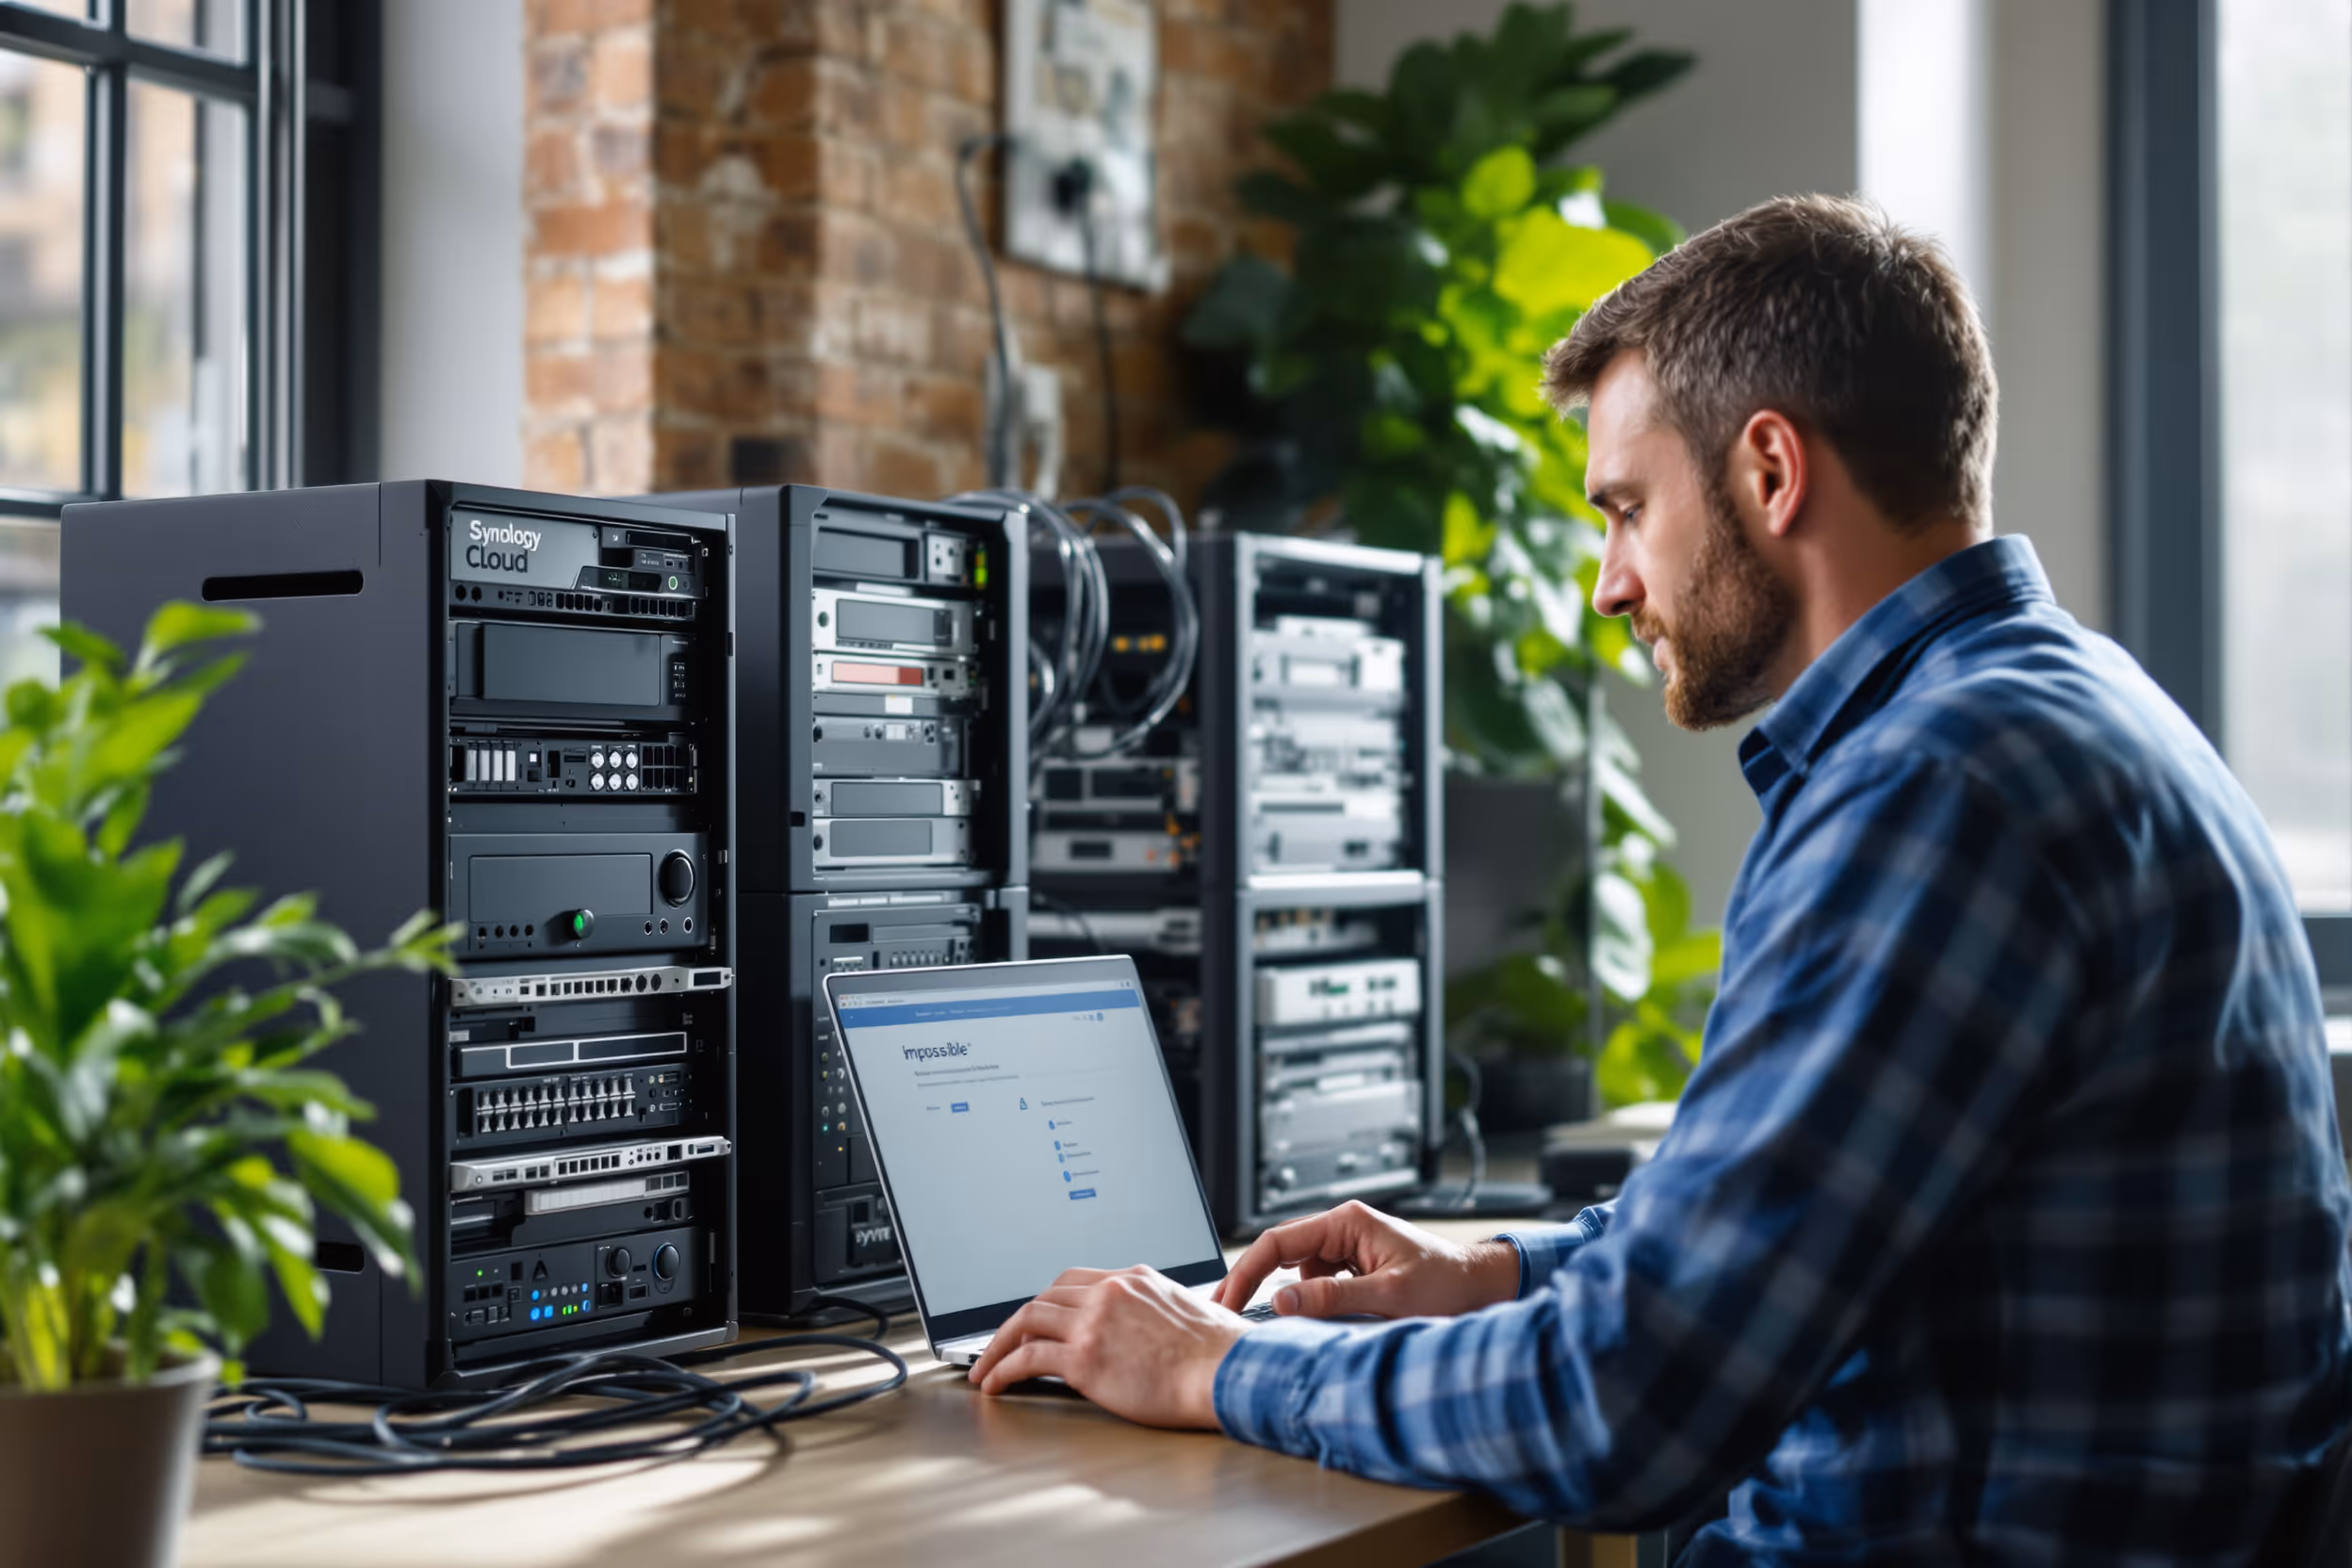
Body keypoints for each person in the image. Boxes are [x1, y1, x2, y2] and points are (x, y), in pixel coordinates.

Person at [968, 194, 2352, 1562]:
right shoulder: (2071, 710)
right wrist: (1492, 1270)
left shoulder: (1937, 788)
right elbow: (1768, 1238)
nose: (1608, 582)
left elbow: (1629, 1403)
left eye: (1627, 510)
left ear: (1768, 471)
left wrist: (1214, 1367)